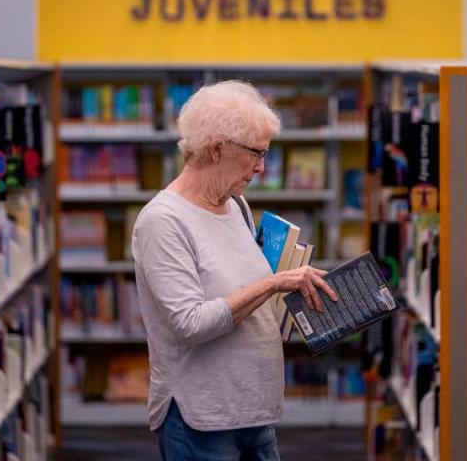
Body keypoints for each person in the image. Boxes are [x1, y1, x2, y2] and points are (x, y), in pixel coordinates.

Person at [132, 80, 338, 461]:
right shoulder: (163, 221)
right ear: (216, 149)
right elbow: (189, 324)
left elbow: (242, 296)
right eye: (257, 153)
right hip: (201, 419)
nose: (262, 167)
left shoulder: (237, 206)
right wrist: (274, 282)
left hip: (253, 413)